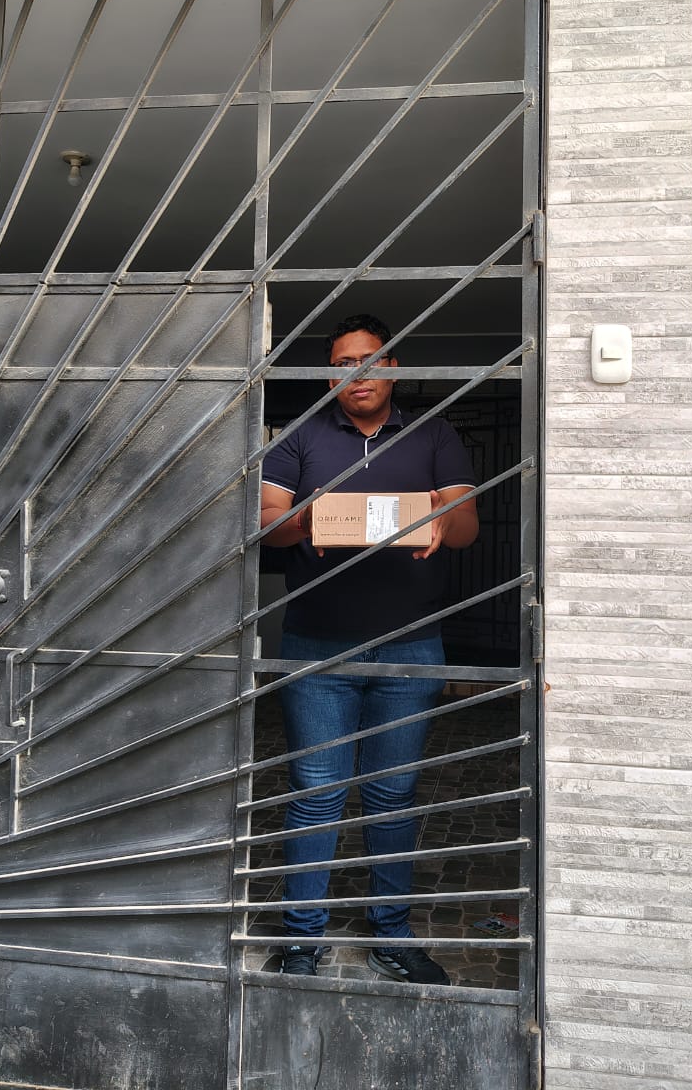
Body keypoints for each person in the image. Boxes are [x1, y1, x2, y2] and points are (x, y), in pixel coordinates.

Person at [260, 314, 478, 985]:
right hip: (316, 651)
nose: (357, 373)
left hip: (410, 649)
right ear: (329, 376)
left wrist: (441, 516)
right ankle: (302, 939)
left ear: (393, 367)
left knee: (394, 795)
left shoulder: (433, 433)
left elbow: (467, 528)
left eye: (370, 359)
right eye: (342, 364)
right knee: (315, 793)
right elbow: (266, 528)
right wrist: (310, 518)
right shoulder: (300, 437)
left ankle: (392, 934)